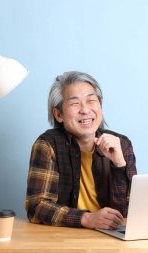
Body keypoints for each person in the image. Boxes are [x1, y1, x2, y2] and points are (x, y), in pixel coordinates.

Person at [25, 71, 137, 229]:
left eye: (91, 100)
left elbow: (127, 214)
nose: (85, 110)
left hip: (110, 238)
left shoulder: (121, 144)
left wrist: (119, 165)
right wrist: (86, 218)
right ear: (58, 114)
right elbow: (36, 207)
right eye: (75, 103)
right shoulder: (48, 145)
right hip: (63, 238)